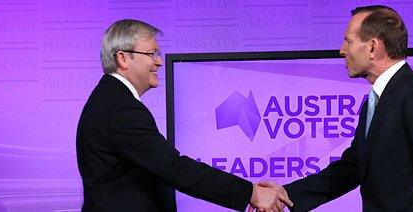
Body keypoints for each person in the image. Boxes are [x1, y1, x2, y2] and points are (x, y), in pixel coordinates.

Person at [261, 5, 413, 211]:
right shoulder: (377, 100)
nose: (341, 50)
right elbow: (353, 167)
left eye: (348, 41)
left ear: (372, 47)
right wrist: (287, 195)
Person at [76, 19, 292, 212]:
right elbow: (174, 168)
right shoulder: (120, 108)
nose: (159, 62)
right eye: (152, 54)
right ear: (123, 58)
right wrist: (251, 193)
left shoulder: (110, 100)